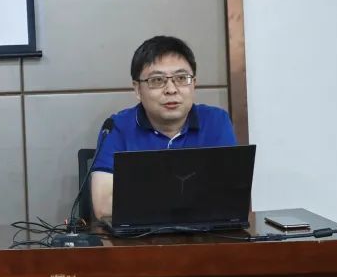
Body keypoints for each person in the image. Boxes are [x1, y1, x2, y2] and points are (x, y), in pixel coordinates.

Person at [89, 35, 237, 222]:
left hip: (206, 236)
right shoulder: (117, 128)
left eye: (181, 78)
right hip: (139, 237)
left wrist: (144, 199)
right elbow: (103, 206)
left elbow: (232, 198)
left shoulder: (216, 122)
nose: (171, 89)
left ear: (194, 84)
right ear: (137, 89)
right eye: (157, 80)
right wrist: (188, 200)